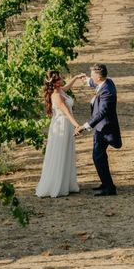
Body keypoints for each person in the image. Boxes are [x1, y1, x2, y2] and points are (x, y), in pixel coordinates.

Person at [35, 70, 85, 198]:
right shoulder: (56, 95)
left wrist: (76, 77)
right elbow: (67, 113)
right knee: (60, 153)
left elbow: (67, 86)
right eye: (60, 79)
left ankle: (66, 182)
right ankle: (58, 184)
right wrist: (77, 126)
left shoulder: (60, 90)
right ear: (55, 83)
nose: (62, 79)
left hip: (64, 124)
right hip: (62, 126)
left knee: (66, 152)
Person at [75, 63, 122, 196]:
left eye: (92, 76)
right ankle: (106, 183)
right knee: (100, 156)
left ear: (99, 77)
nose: (91, 77)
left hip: (106, 129)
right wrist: (87, 81)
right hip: (101, 128)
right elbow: (96, 85)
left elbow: (101, 113)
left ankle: (109, 188)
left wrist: (84, 127)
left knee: (98, 156)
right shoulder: (107, 82)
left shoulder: (107, 92)